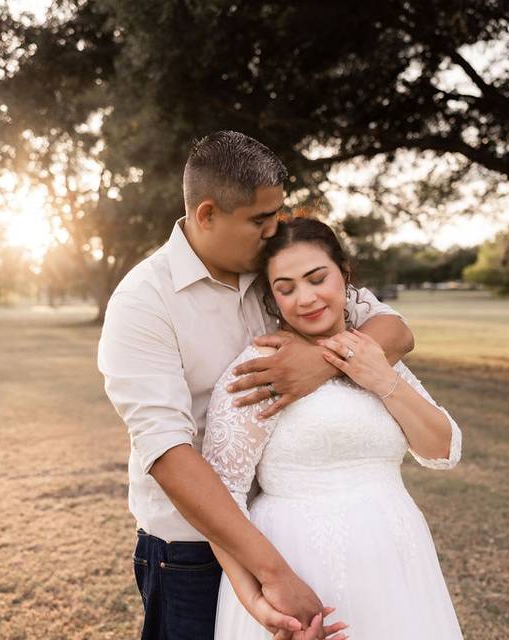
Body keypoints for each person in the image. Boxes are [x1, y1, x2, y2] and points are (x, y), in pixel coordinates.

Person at [97, 131, 414, 640]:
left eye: (277, 215)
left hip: (295, 530)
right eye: (259, 220)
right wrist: (273, 574)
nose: (275, 231)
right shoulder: (142, 301)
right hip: (192, 552)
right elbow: (169, 454)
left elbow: (396, 330)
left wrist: (321, 361)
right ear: (206, 215)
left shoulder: (276, 273)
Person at [203, 217, 465, 639]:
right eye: (285, 288)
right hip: (300, 564)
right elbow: (221, 499)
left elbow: (443, 450)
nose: (305, 298)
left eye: (316, 278)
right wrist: (261, 594)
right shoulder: (262, 368)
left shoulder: (375, 352)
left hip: (397, 560)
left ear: (344, 274)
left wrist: (382, 379)